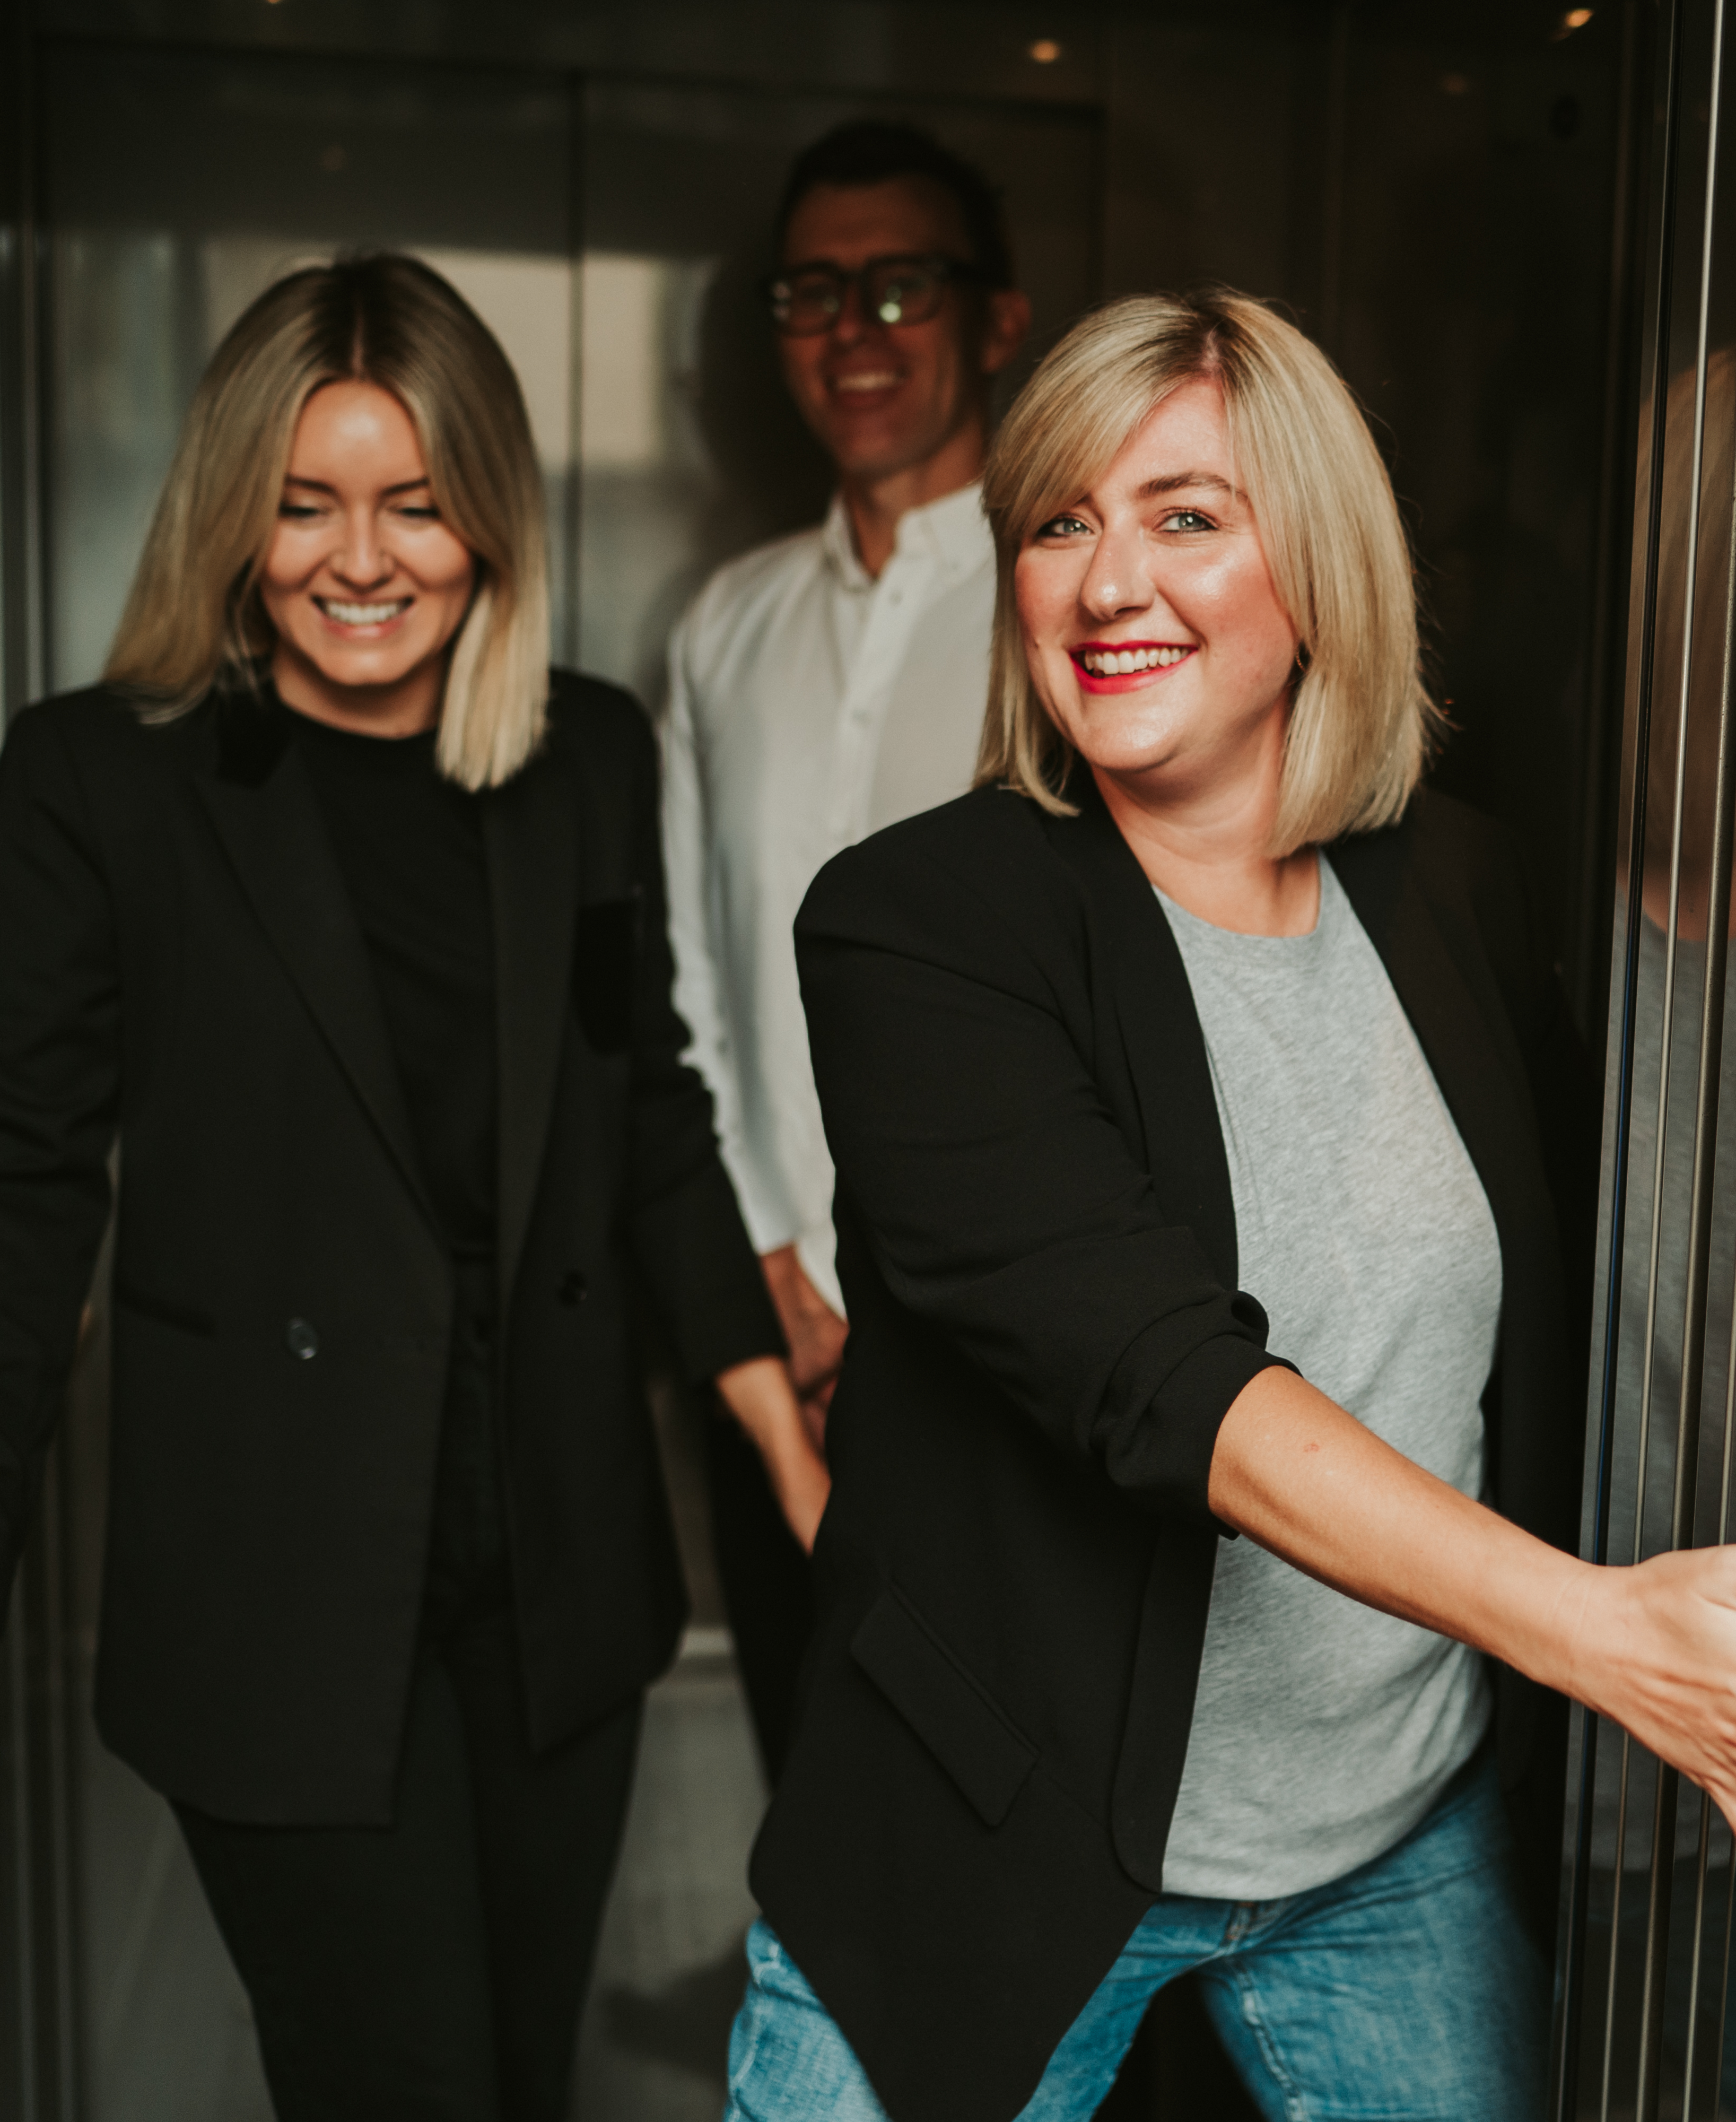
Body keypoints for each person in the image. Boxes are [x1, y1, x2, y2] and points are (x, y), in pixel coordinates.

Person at [722, 288, 1736, 2122]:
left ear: (1318, 573)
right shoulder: (922, 928)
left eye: (1187, 514)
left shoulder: (1456, 895)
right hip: (995, 1833)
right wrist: (1601, 1638)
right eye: (1061, 522)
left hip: (1389, 1849)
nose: (1110, 582)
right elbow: (1158, 1382)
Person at [0, 253, 798, 2122]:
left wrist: (782, 1440)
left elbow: (646, 1110)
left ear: (490, 514)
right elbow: (15, 1181)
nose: (362, 557)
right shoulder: (103, 784)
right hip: (285, 1597)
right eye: (305, 502)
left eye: (416, 502)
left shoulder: (584, 761)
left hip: (554, 1580)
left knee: (511, 2078)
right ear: (234, 516)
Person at [658, 119, 1032, 1773]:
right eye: (813, 292)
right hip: (774, 1351)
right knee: (813, 1804)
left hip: (1015, 1371)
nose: (854, 331)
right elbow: (684, 989)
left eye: (902, 286)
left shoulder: (1075, 601)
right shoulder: (723, 625)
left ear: (998, 321)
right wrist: (767, 1274)